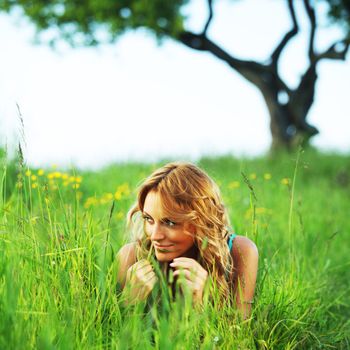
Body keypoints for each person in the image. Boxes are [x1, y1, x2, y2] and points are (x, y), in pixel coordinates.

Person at [116, 162, 258, 318]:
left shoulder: (239, 252)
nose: (155, 235)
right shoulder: (131, 257)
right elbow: (110, 337)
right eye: (149, 219)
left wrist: (200, 307)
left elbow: (240, 338)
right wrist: (130, 303)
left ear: (202, 221)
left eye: (170, 223)